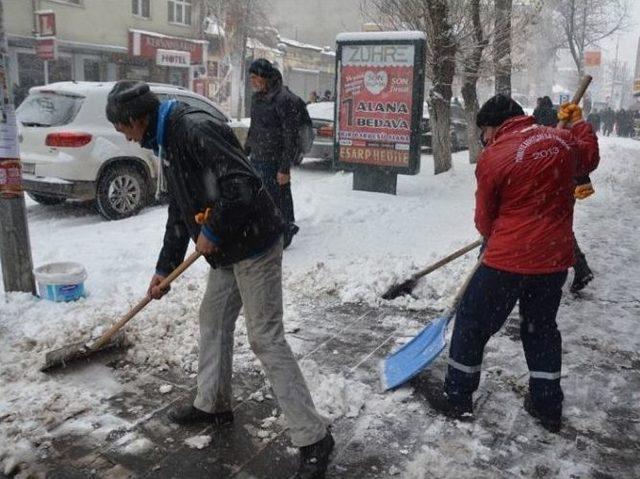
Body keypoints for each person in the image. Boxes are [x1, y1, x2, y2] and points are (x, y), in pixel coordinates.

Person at [105, 80, 334, 478]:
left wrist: (214, 230)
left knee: (265, 337)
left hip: (255, 244)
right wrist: (164, 269)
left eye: (123, 128)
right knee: (212, 319)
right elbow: (180, 208)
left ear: (137, 119)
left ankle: (314, 437)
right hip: (227, 249)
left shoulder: (192, 129)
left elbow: (241, 183)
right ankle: (213, 404)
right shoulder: (167, 138)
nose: (124, 136)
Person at [424, 95, 599, 433]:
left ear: (495, 126)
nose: (484, 139)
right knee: (540, 329)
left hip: (507, 260)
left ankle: (458, 397)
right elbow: (589, 157)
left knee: (473, 324)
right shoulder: (563, 140)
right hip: (552, 260)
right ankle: (547, 406)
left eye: (484, 132)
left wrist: (497, 236)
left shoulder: (495, 156)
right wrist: (579, 125)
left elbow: (484, 219)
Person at [246, 58, 301, 249]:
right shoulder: (256, 98)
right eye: (250, 77)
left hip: (275, 160)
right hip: (258, 157)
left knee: (279, 197)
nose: (252, 81)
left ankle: (285, 231)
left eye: (254, 77)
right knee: (261, 198)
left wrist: (284, 168)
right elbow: (254, 128)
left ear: (264, 77)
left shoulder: (283, 99)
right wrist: (245, 150)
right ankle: (268, 230)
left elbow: (290, 136)